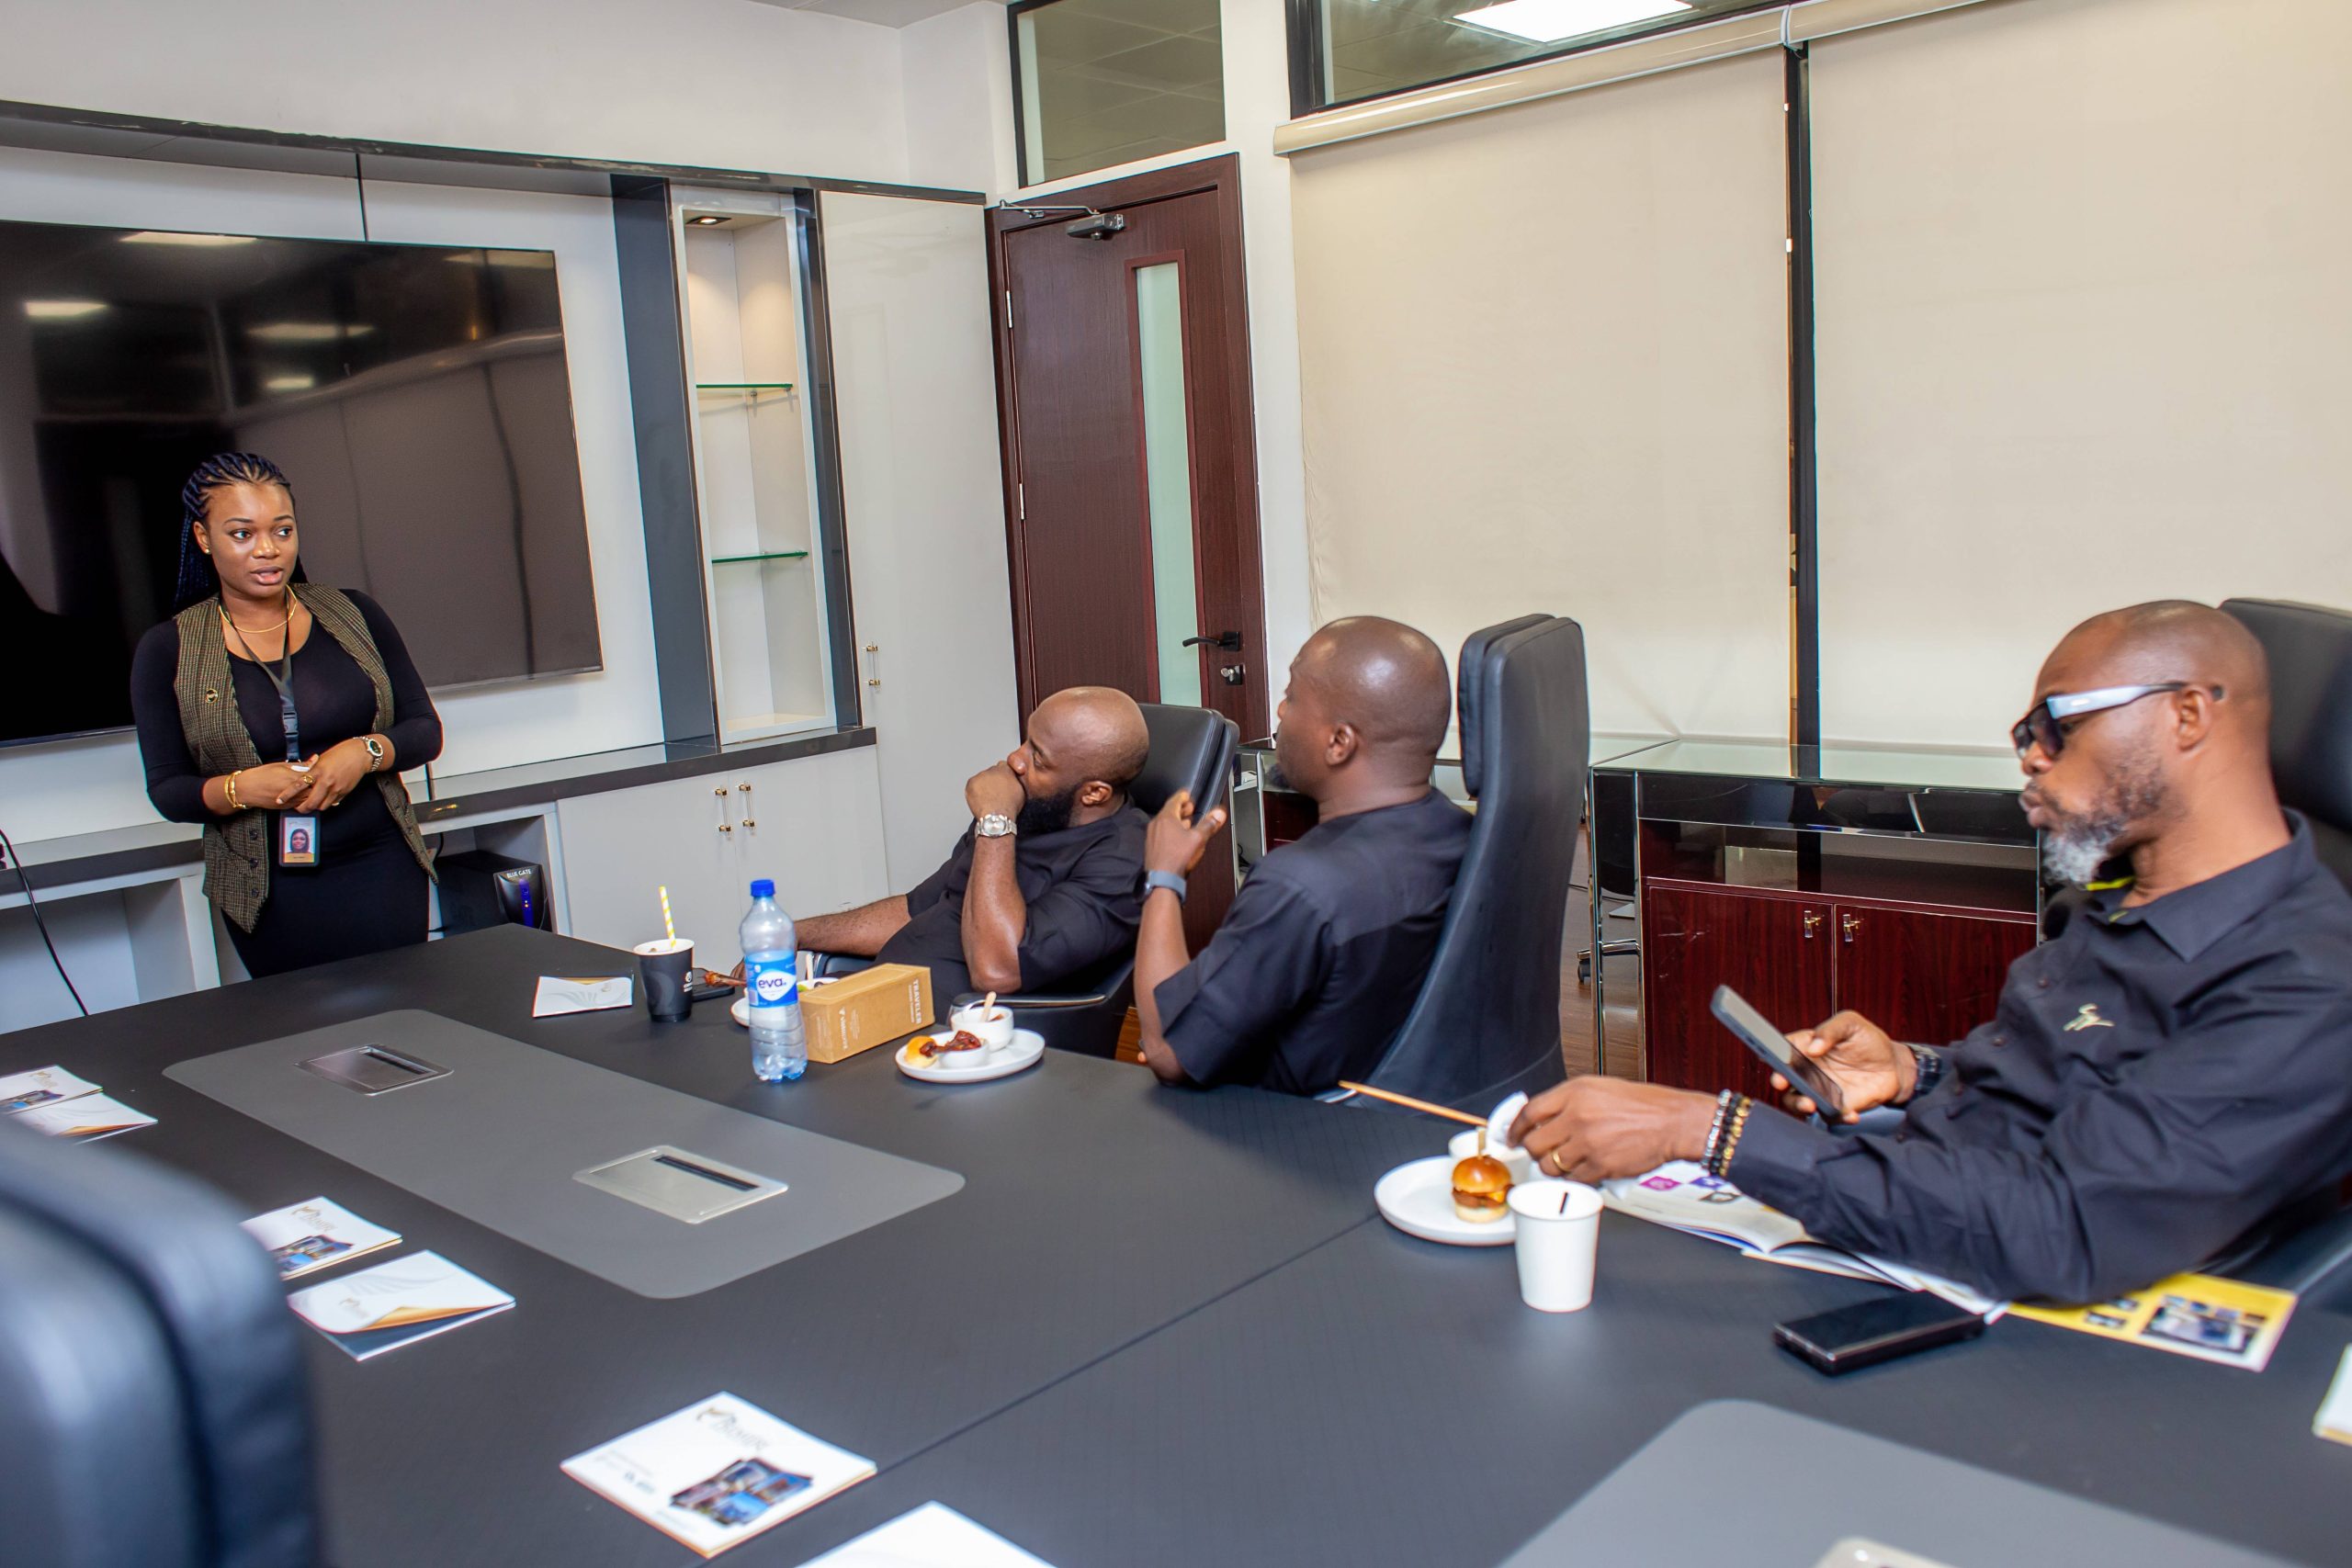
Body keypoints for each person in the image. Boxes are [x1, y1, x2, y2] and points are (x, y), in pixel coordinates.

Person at [1507, 601, 2352, 1303]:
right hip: (1923, 1212)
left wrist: (1709, 1129)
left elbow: (2066, 1228)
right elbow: (2076, 1081)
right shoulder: (2124, 896)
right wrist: (1916, 1071)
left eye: (2057, 725)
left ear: (2187, 715)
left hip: (2027, 1310)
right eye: (2025, 733)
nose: (2032, 757)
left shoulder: (2302, 984)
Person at [129, 453, 442, 978]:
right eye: (242, 534)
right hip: (267, 885)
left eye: (282, 530)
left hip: (381, 862)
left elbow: (424, 731)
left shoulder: (355, 613)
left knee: (406, 1006)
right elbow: (168, 789)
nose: (268, 549)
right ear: (204, 538)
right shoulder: (168, 649)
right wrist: (242, 788)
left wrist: (363, 753)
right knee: (302, 1024)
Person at [1134, 616, 1471, 1094]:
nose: (1279, 709)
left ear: (1339, 743)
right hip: (1408, 1106)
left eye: (1291, 697)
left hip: (1283, 1127)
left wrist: (1164, 876)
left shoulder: (1298, 886)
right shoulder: (1462, 833)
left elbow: (1167, 1051)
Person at [778, 687, 1151, 1001]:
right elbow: (916, 910)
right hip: (882, 1004)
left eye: (1037, 758)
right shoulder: (1031, 811)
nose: (1015, 760)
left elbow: (997, 972)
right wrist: (795, 933)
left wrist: (996, 820)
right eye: (1025, 741)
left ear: (1094, 793)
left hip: (960, 1040)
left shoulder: (1123, 863)